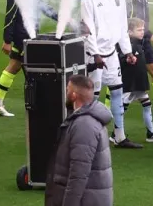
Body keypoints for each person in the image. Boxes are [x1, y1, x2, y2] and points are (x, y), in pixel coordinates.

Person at [81, 0, 141, 149]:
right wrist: (96, 54)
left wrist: (127, 51)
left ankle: (120, 136)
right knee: (93, 97)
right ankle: (92, 136)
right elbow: (87, 29)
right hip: (94, 54)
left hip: (112, 53)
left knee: (117, 91)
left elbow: (122, 25)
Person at [44, 74, 113, 206]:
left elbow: (79, 174)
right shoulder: (83, 120)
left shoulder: (84, 125)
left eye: (68, 90)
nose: (66, 93)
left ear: (74, 95)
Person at [124, 18, 153, 143]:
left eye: (143, 30)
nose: (142, 32)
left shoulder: (139, 43)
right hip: (130, 84)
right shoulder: (128, 46)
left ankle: (151, 133)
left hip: (138, 82)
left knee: (147, 104)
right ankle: (116, 133)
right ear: (129, 32)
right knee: (122, 107)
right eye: (139, 30)